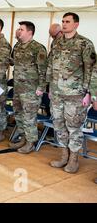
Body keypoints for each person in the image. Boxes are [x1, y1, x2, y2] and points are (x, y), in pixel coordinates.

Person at [47, 12, 95, 173]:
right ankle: (63, 156)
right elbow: (50, 64)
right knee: (59, 125)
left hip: (75, 94)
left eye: (67, 21)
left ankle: (74, 160)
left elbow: (90, 70)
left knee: (74, 127)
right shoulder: (57, 42)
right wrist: (49, 87)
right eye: (63, 21)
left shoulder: (84, 44)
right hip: (56, 93)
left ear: (76, 24)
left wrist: (89, 93)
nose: (64, 24)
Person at [10, 21, 47, 154]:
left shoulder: (38, 48)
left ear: (29, 32)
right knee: (18, 114)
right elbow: (12, 61)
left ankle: (30, 142)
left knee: (29, 116)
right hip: (18, 88)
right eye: (19, 29)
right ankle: (23, 137)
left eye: (21, 29)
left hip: (31, 90)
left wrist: (41, 87)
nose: (19, 31)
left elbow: (43, 70)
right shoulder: (18, 46)